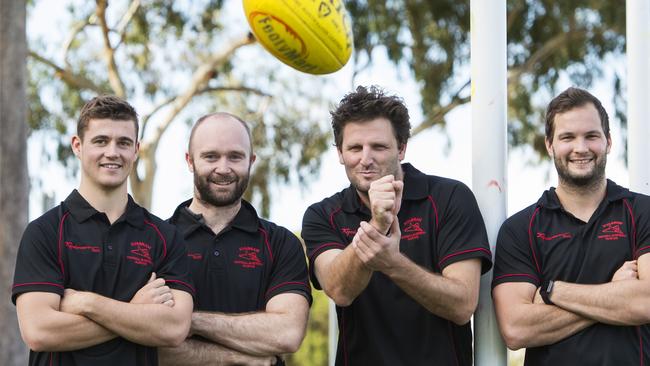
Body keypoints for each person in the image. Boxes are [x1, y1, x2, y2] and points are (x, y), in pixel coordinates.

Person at [301, 85, 493, 365]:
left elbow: (463, 304)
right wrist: (378, 224)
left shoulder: (449, 198)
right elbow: (340, 290)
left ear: (401, 148)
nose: (365, 159)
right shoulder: (323, 215)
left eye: (378, 147)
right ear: (340, 153)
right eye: (355, 148)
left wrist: (392, 263)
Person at [12, 95, 195, 366]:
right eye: (101, 141)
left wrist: (87, 304)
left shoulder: (165, 237)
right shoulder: (45, 232)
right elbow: (39, 331)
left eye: (123, 143)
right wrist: (136, 314)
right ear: (78, 145)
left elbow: (174, 328)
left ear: (136, 150)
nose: (113, 152)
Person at [492, 87, 650, 365]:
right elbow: (516, 329)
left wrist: (552, 291)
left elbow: (646, 302)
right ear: (550, 145)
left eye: (591, 136)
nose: (581, 148)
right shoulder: (521, 229)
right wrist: (613, 292)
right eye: (567, 137)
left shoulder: (641, 212)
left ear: (609, 142)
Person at [159, 113, 311, 366]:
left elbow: (287, 334)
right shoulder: (155, 241)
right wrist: (235, 357)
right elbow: (147, 347)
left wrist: (188, 321)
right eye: (210, 156)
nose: (223, 168)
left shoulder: (281, 243)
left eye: (235, 156)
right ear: (190, 161)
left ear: (251, 161)